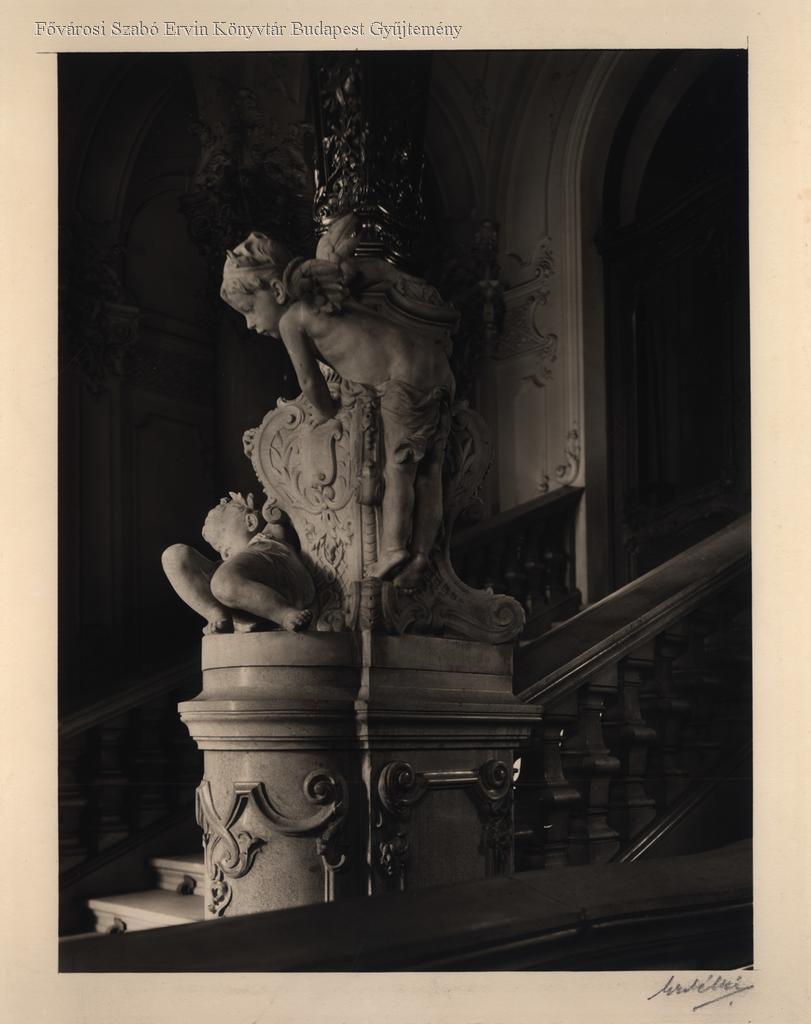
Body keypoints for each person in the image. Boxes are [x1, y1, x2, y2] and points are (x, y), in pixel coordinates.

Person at [219, 217, 455, 589]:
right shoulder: (324, 297)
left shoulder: (293, 320)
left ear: (276, 290)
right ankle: (423, 555)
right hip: (436, 367)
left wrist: (329, 413)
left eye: (249, 309)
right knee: (430, 469)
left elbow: (310, 382)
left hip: (403, 379)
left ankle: (394, 549)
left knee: (400, 468)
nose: (250, 324)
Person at [161, 492, 315, 633]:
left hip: (279, 581)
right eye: (220, 549)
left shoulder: (268, 539)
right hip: (237, 602)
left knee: (223, 582)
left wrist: (272, 511)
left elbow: (278, 515)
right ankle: (217, 613)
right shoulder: (227, 571)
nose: (224, 554)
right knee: (174, 556)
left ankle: (285, 613)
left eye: (226, 545)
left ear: (251, 522)